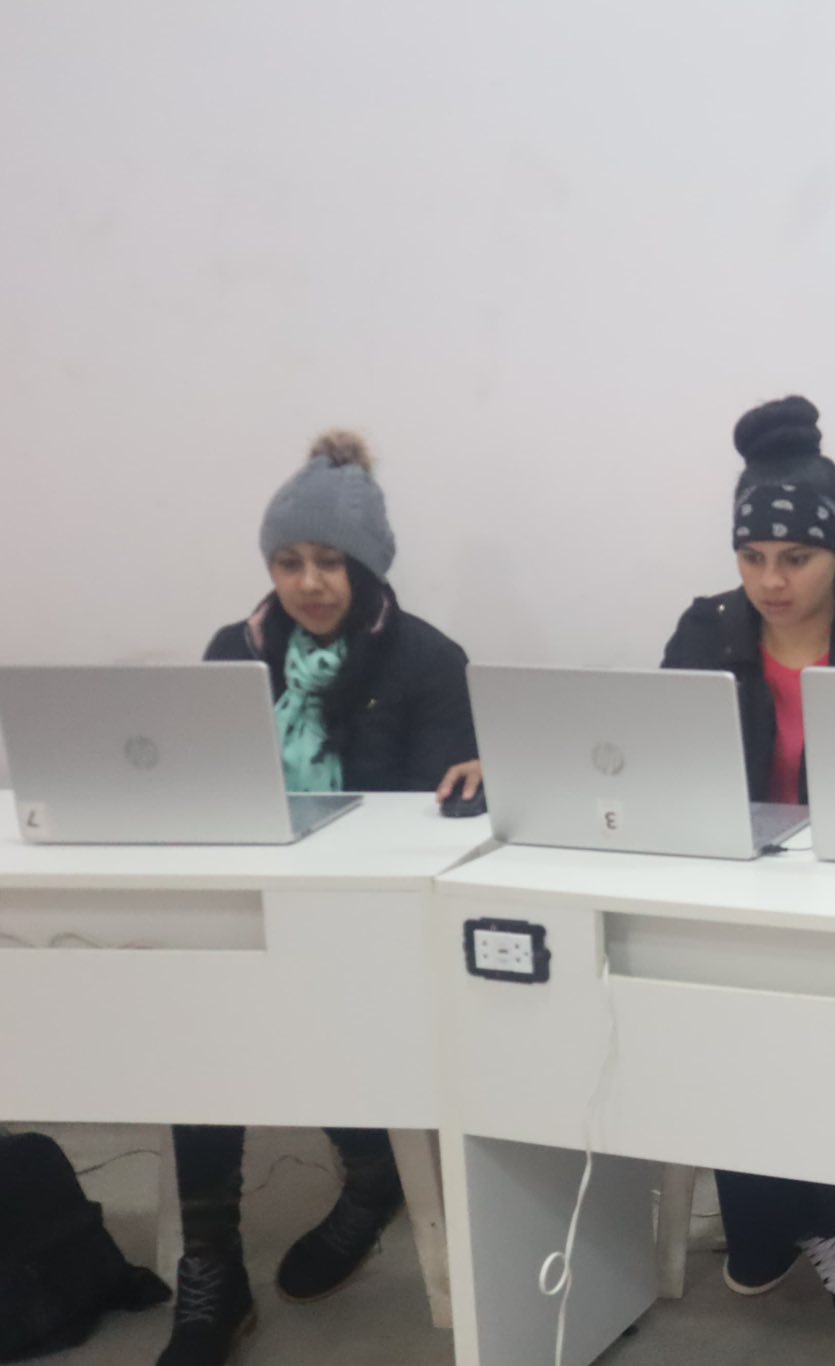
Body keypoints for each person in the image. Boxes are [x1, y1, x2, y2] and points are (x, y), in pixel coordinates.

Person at [161, 432, 481, 1366]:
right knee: (195, 1017)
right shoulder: (236, 653)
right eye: (289, 561)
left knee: (287, 997)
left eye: (330, 562)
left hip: (372, 922)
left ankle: (374, 1174)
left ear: (368, 567)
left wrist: (476, 779)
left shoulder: (427, 659)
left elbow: (442, 827)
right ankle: (211, 1260)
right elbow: (201, 784)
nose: (309, 583)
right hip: (256, 904)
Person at [658, 395, 835, 1332]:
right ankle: (819, 1207)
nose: (769, 581)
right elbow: (665, 766)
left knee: (769, 1020)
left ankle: (790, 1210)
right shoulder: (705, 632)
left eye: (795, 558)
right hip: (731, 893)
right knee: (705, 1007)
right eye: (751, 557)